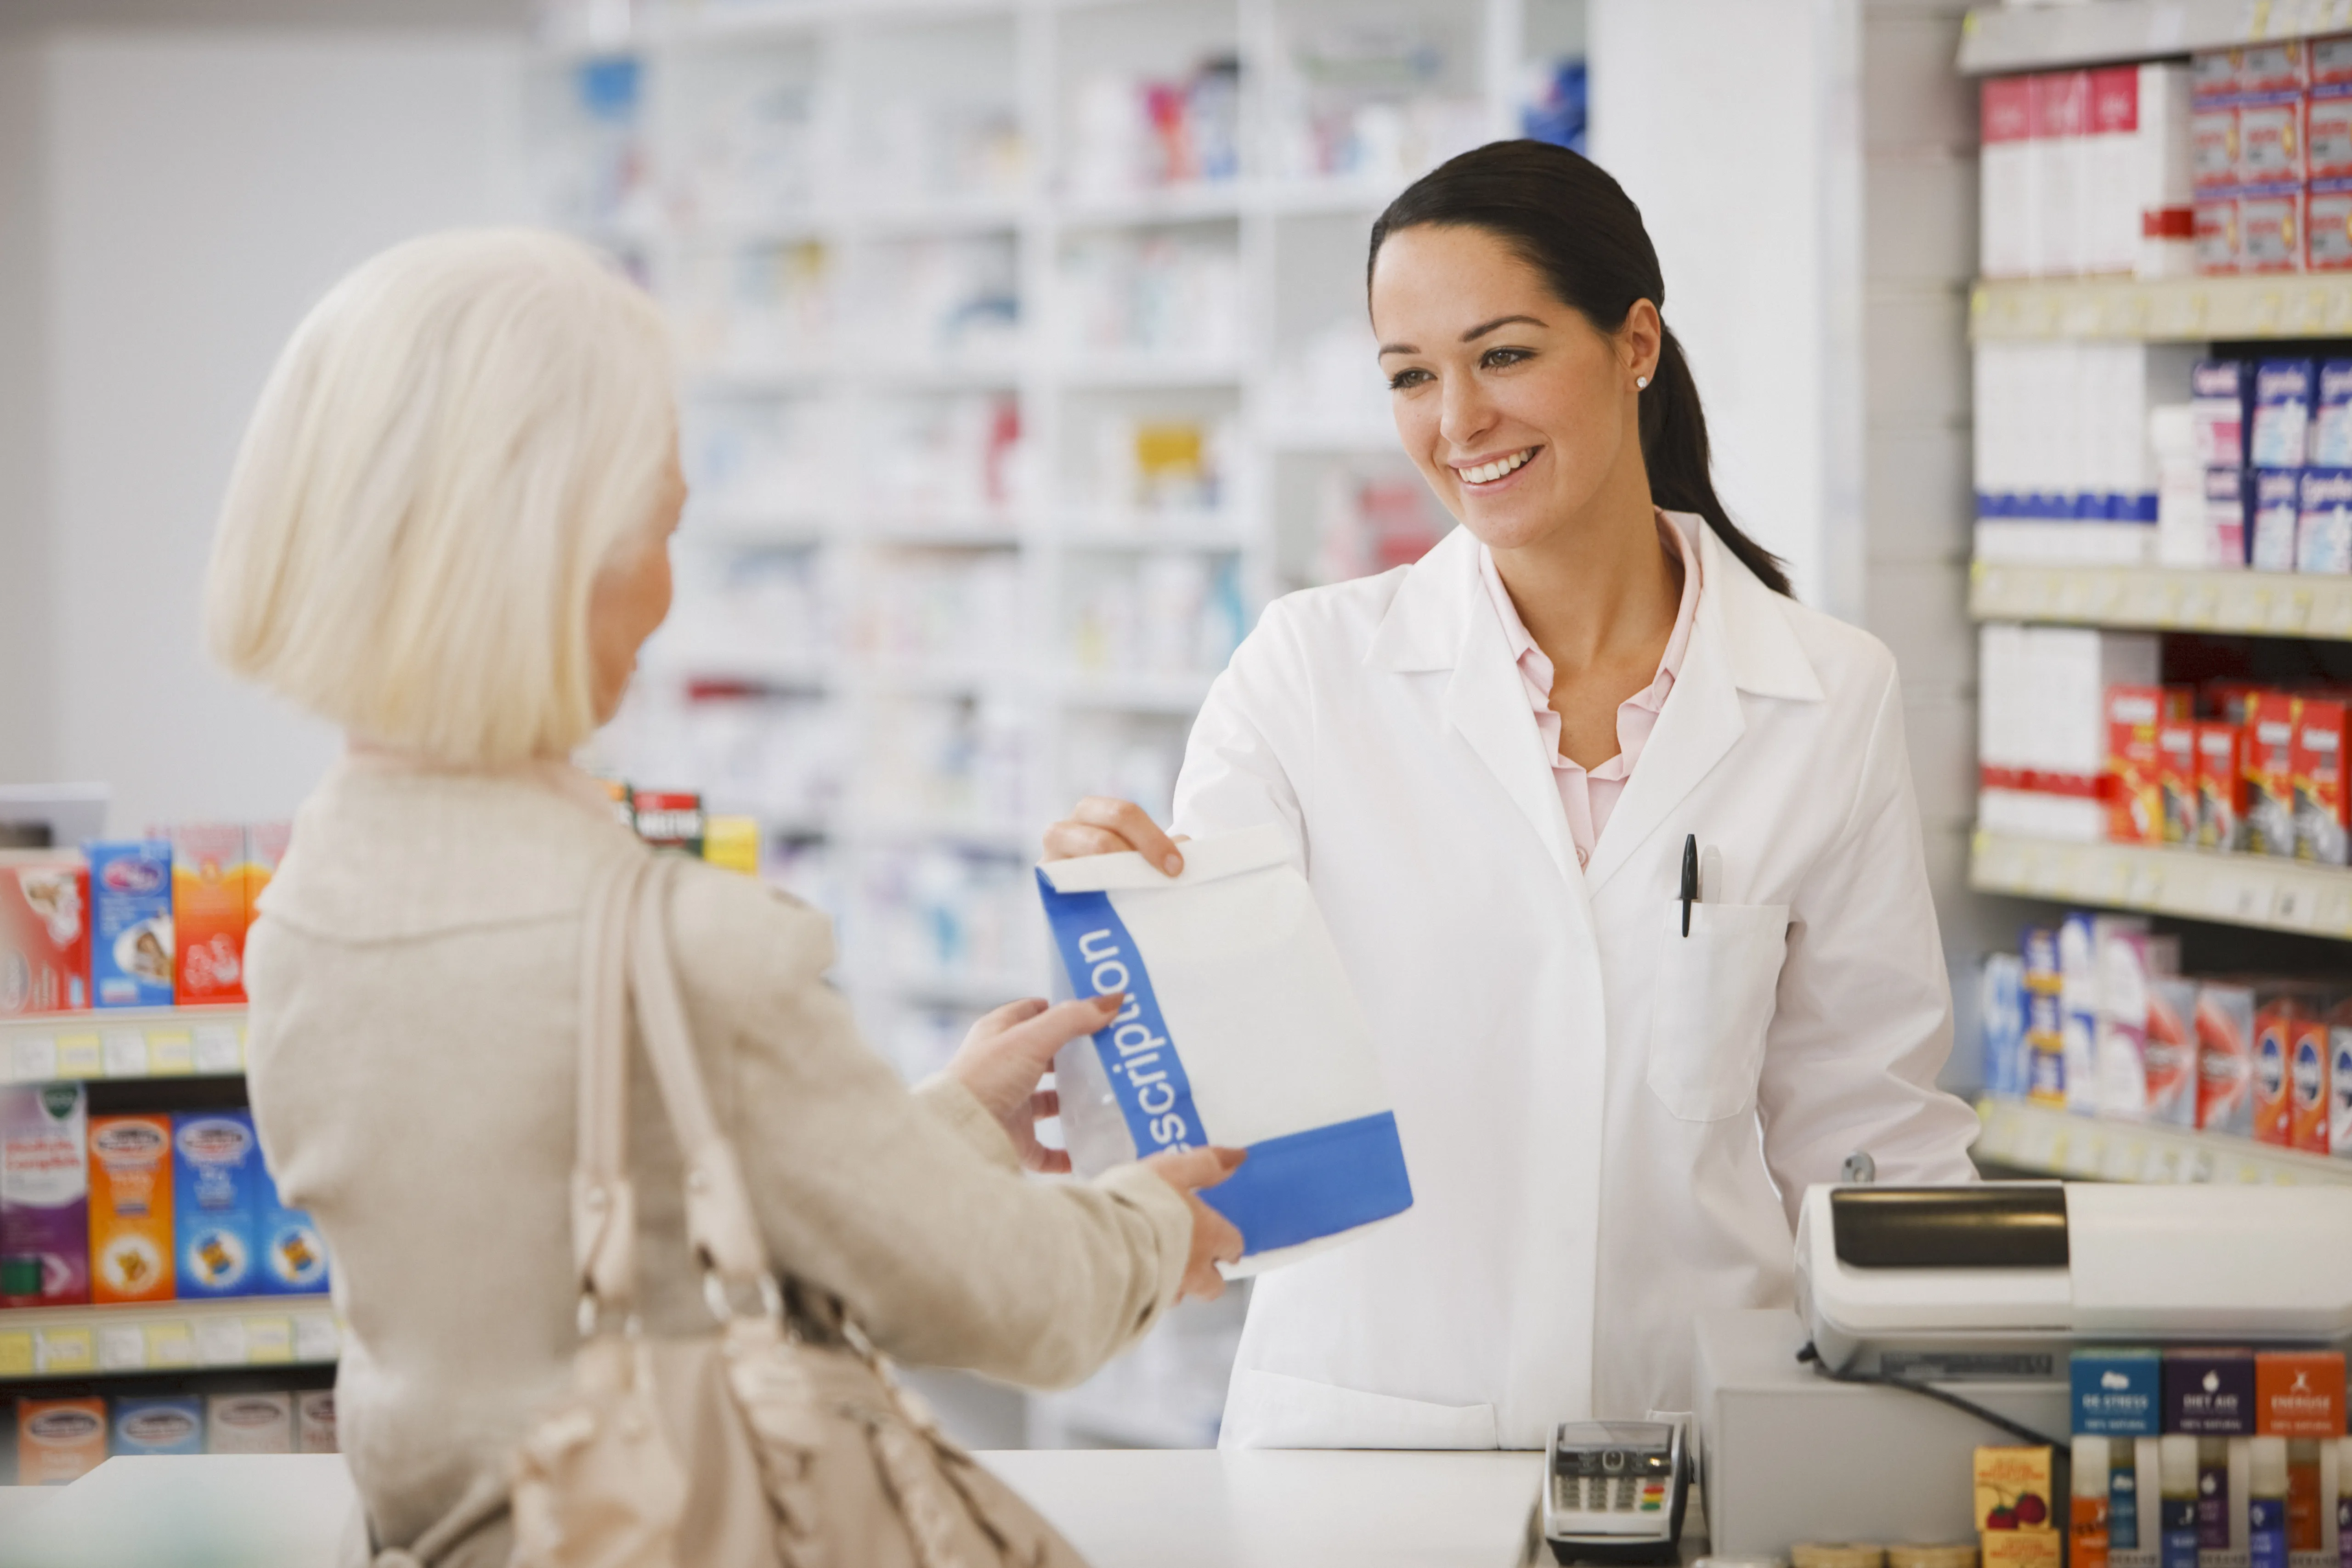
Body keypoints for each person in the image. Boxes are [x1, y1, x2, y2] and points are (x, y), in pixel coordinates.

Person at [205, 228, 1245, 1566]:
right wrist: (1156, 1218)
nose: (665, 591)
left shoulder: (307, 903)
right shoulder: (671, 945)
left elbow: (601, 1225)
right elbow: (1016, 1300)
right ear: (552, 562)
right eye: (658, 531)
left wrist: (949, 1127)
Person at [1043, 141, 1979, 1450]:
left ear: (1635, 342)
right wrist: (1120, 930)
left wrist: (1943, 1437)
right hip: (1366, 1450)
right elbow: (1193, 1102)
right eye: (1411, 376)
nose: (1458, 421)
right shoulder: (1307, 676)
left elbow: (1867, 1123)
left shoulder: (1827, 692)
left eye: (1505, 355)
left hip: (1701, 1445)